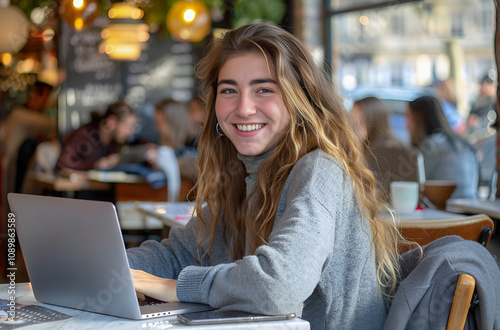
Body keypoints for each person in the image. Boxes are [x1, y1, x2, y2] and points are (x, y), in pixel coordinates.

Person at [127, 22, 404, 329]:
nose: (244, 108)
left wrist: (176, 286)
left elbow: (279, 286)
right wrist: (104, 269)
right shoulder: (244, 176)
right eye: (229, 90)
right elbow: (178, 254)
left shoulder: (319, 170)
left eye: (264, 90)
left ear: (298, 99)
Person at [55, 99, 137, 201]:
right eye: (127, 126)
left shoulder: (116, 141)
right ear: (112, 121)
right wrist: (94, 165)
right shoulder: (84, 134)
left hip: (105, 194)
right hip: (81, 197)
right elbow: (61, 164)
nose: (130, 132)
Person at [406, 95, 479, 199]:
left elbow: (413, 185)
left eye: (408, 117)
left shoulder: (430, 146)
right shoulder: (461, 142)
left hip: (446, 210)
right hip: (472, 208)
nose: (406, 125)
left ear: (419, 119)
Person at [350, 96, 414, 201]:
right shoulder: (356, 151)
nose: (352, 129)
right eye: (351, 121)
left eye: (359, 123)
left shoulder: (391, 153)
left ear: (374, 124)